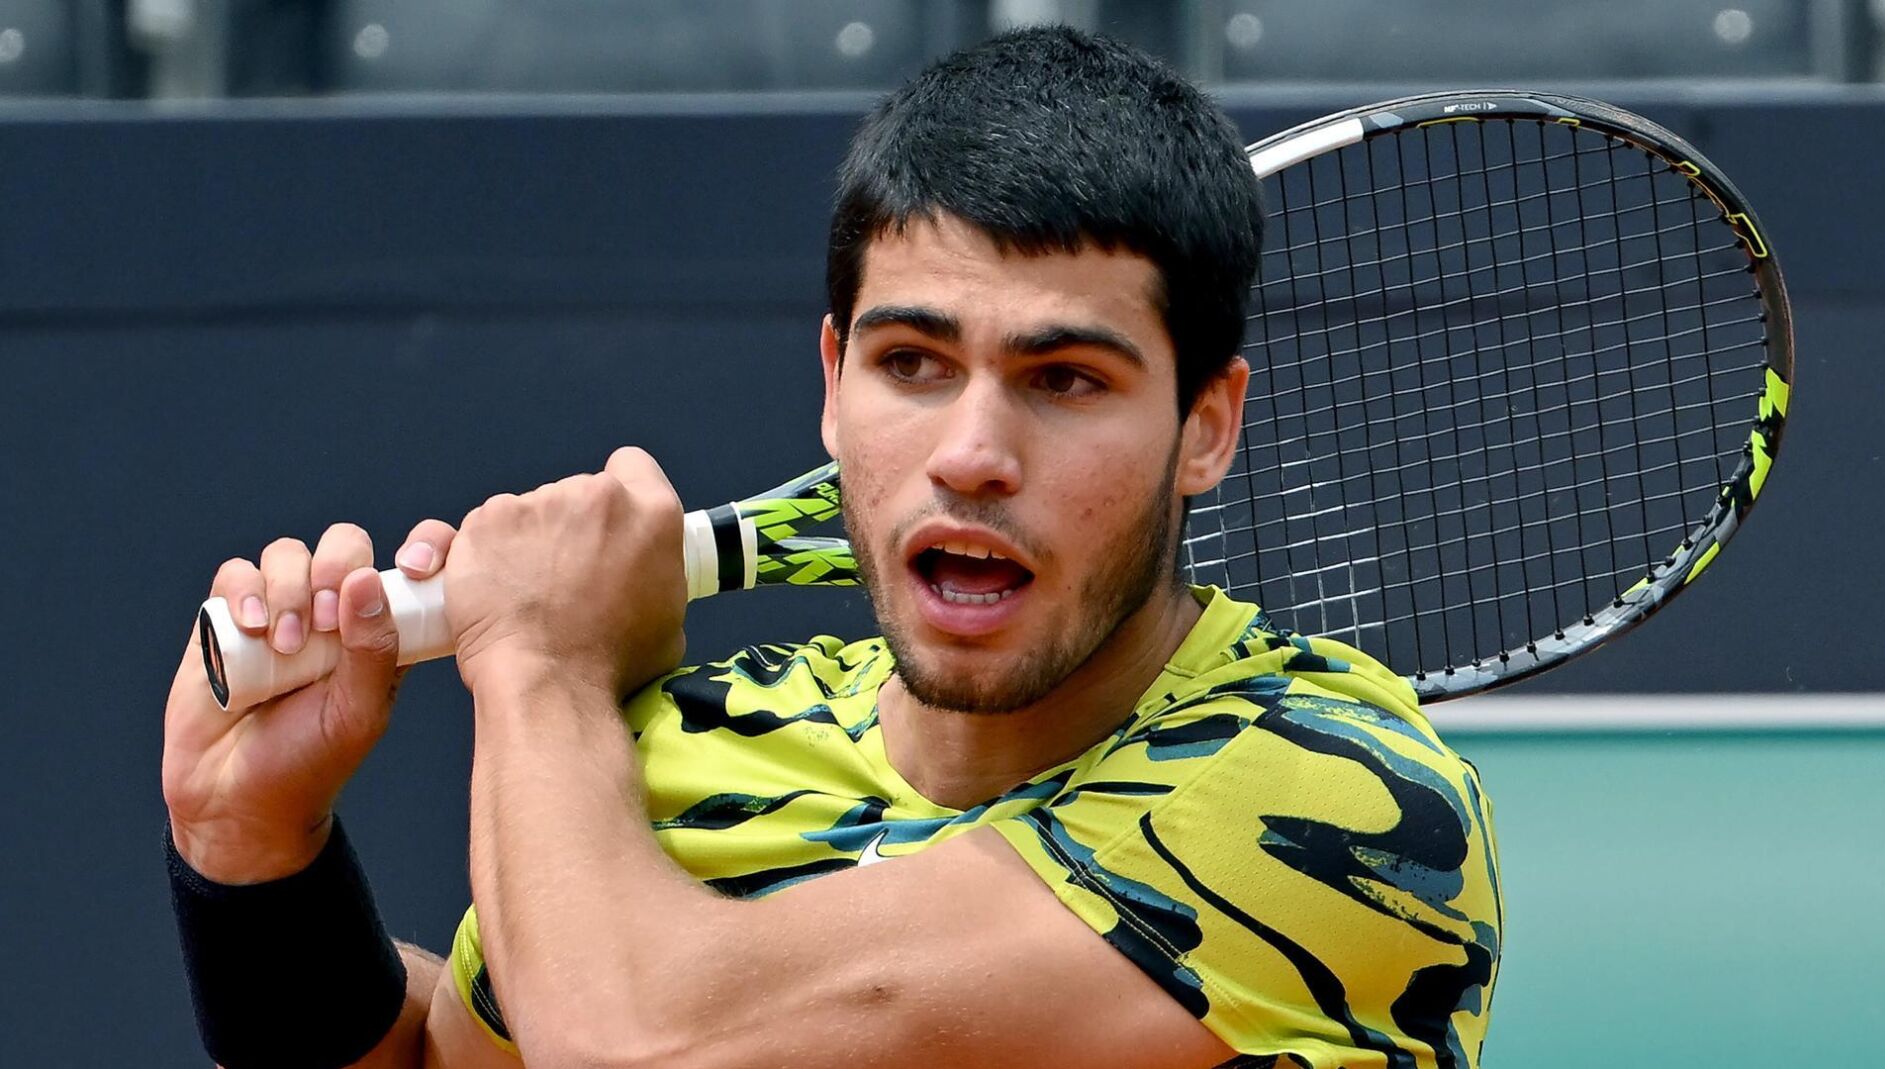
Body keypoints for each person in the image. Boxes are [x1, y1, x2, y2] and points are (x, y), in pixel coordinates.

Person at [162, 26, 1501, 1069]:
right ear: (832, 379)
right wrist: (257, 845)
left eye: (1067, 378)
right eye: (913, 362)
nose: (973, 449)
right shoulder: (700, 748)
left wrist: (543, 664)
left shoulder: (1339, 801)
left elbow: (638, 1044)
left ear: (1207, 427)